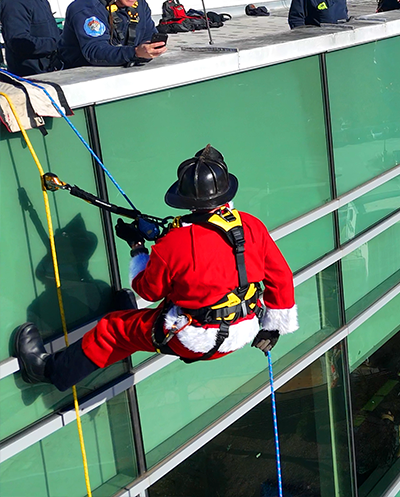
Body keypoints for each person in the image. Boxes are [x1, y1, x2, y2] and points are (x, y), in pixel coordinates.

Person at [14, 145, 299, 392]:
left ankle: (48, 372)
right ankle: (121, 328)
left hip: (195, 338)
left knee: (112, 331)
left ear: (186, 200)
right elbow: (281, 276)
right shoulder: (249, 224)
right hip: (243, 329)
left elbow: (147, 290)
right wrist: (271, 329)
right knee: (135, 326)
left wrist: (138, 248)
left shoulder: (174, 244)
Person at [1, 0, 63, 76]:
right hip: (30, 77)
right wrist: (57, 43)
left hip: (48, 72)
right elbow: (18, 42)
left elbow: (50, 31)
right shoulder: (15, 1)